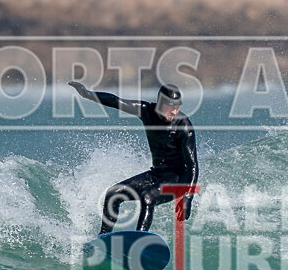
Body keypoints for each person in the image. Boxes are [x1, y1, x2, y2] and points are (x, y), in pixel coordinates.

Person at [69, 81, 199, 235]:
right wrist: (87, 94)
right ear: (161, 102)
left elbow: (192, 166)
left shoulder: (184, 126)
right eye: (171, 106)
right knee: (113, 194)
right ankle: (103, 238)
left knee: (148, 197)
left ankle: (140, 239)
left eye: (178, 106)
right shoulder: (146, 111)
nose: (175, 110)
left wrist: (188, 197)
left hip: (178, 179)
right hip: (158, 174)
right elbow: (116, 101)